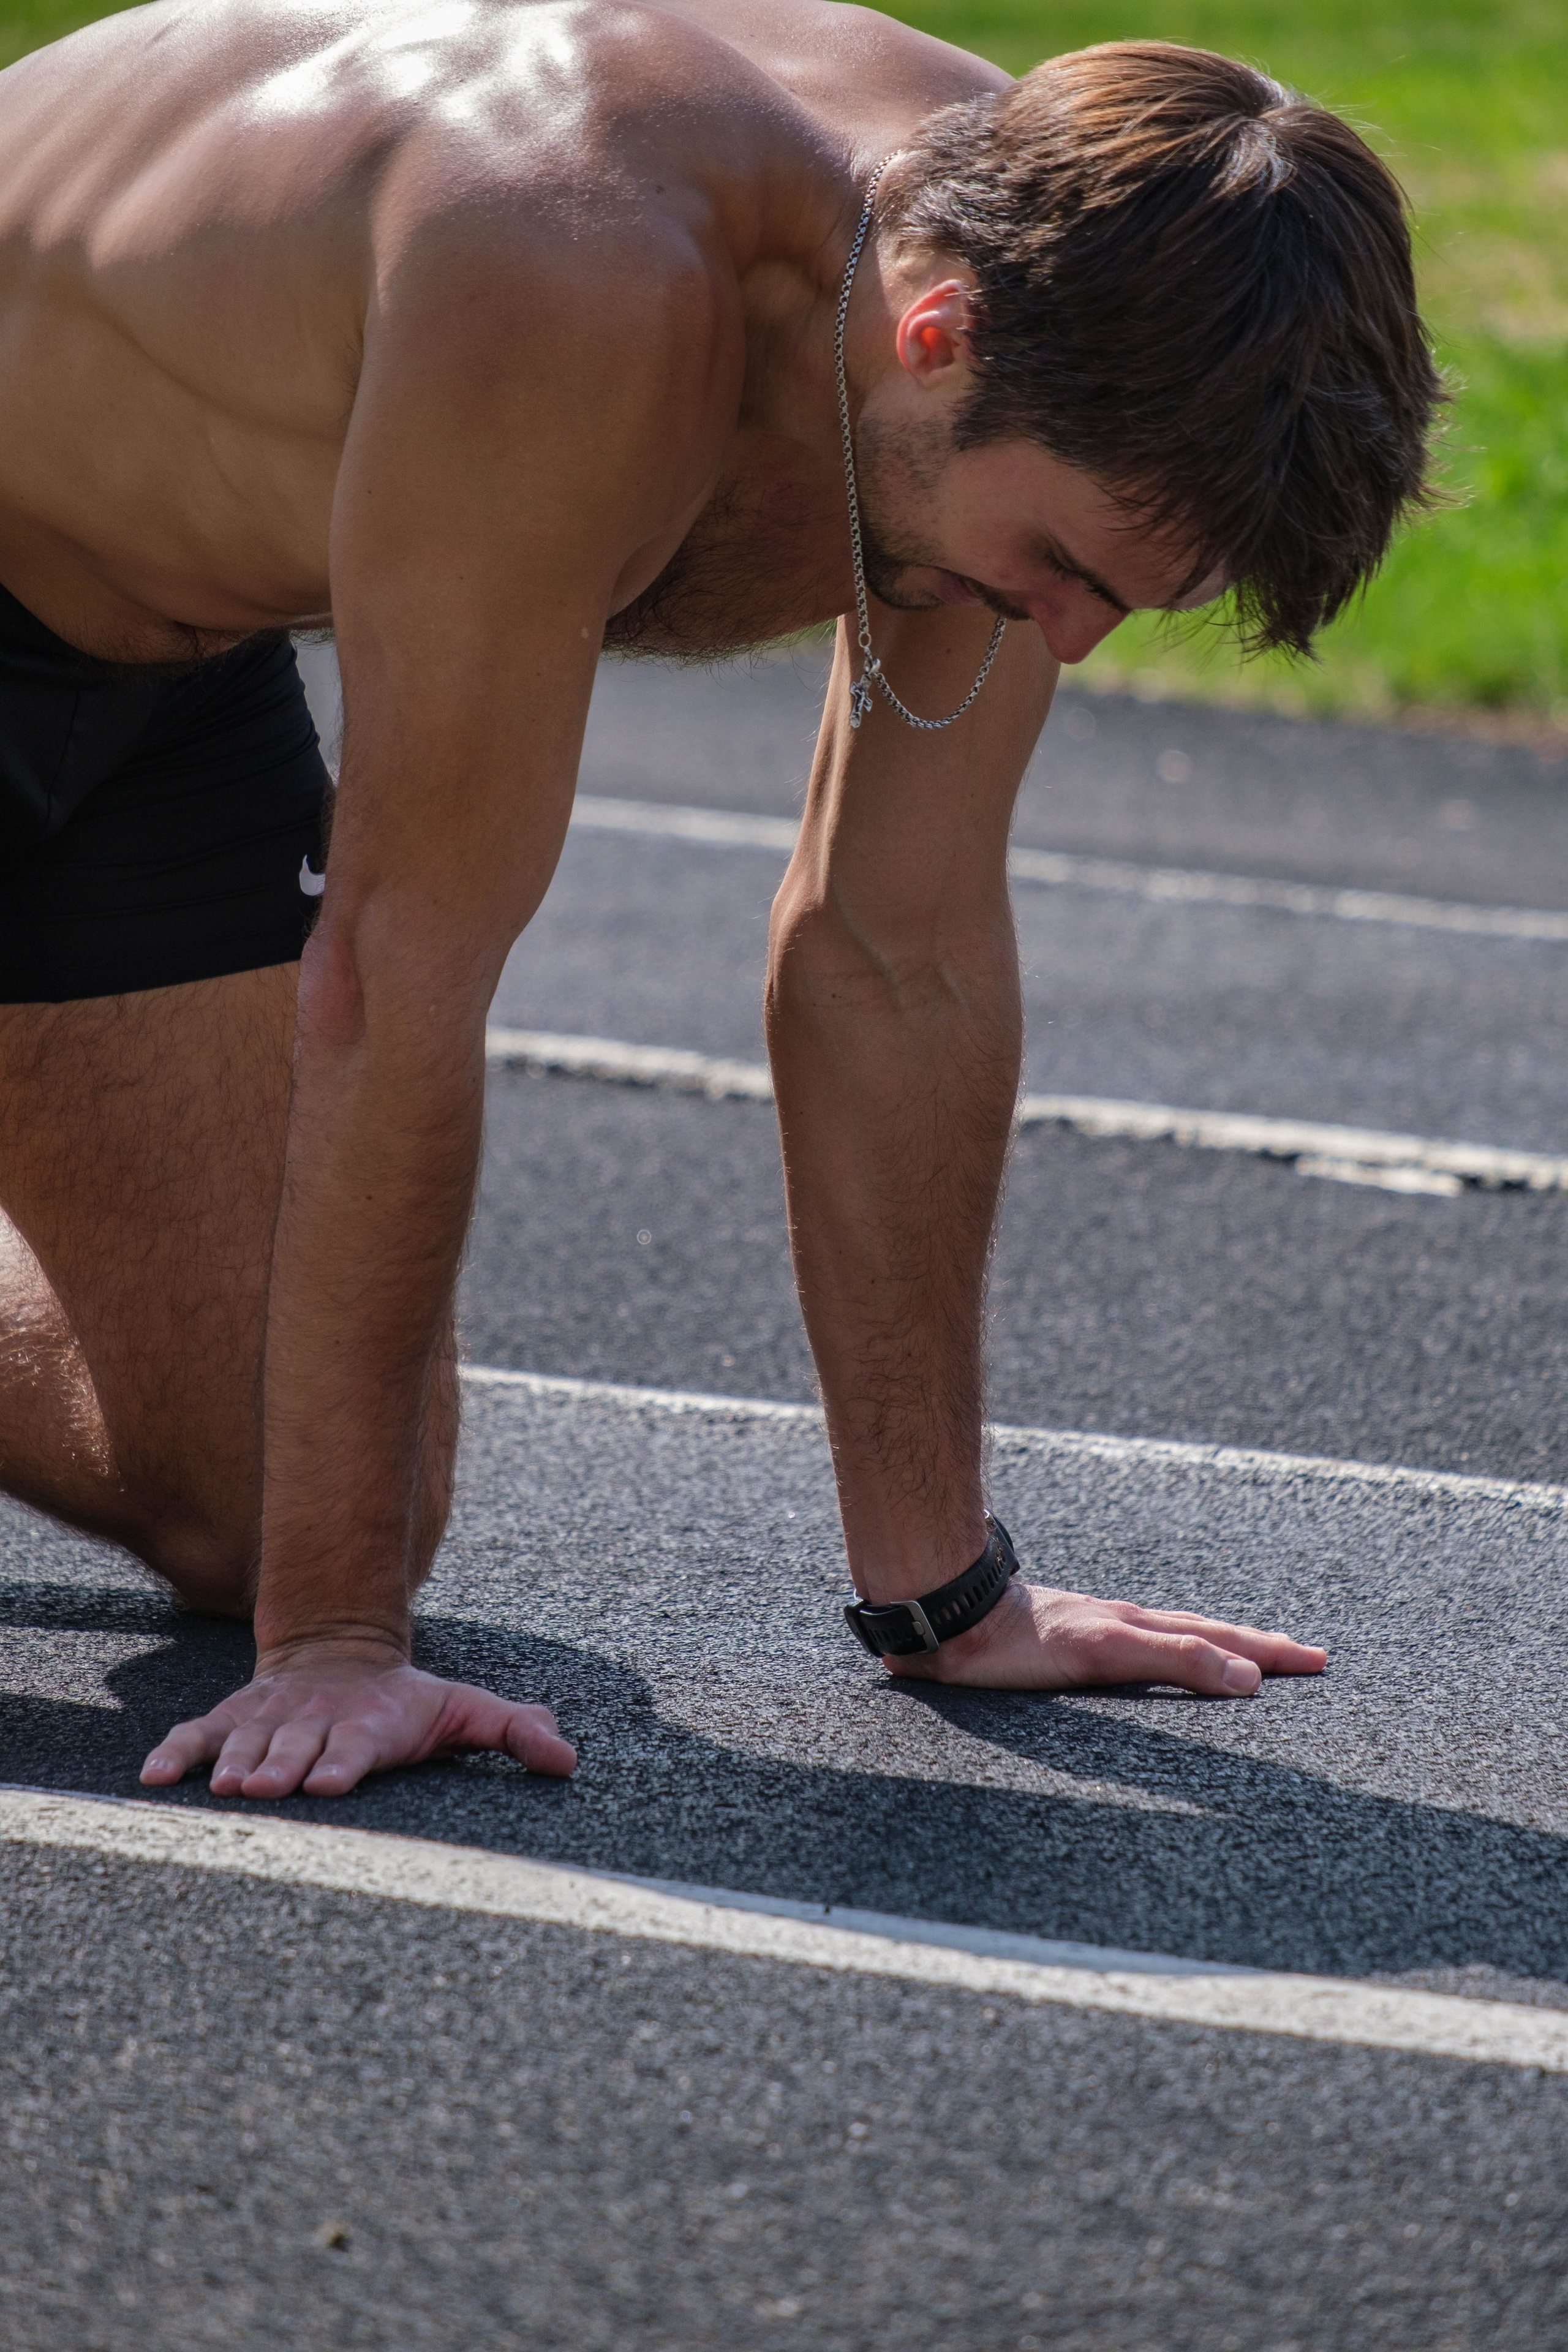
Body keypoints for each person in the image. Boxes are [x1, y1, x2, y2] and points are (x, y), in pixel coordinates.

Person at [0, 0, 1438, 1800]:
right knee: (321, 1562)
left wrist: (948, 1595)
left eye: (1126, 605)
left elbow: (894, 950)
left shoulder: (1048, 282)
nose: (1067, 638)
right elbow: (398, 966)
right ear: (936, 334)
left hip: (156, 669)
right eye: (1063, 568)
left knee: (245, 1493)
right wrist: (341, 1650)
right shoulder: (574, 265)